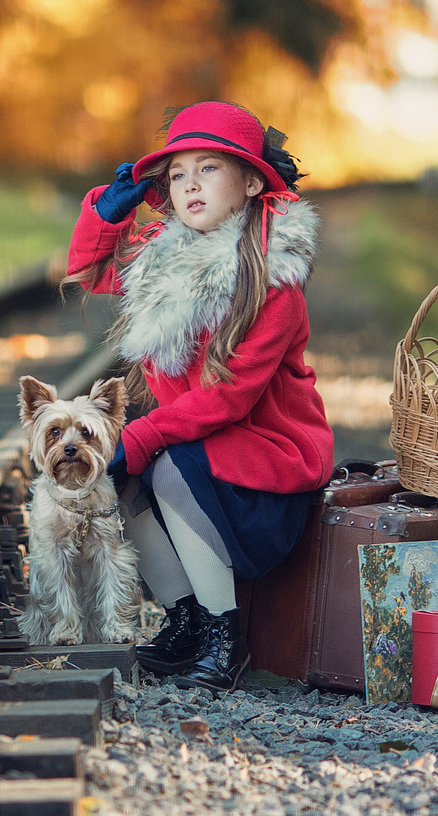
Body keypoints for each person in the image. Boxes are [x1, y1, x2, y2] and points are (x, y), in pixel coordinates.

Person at [65, 101, 332, 689]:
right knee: (114, 476)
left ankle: (223, 635)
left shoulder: (271, 278)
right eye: (178, 174)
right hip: (207, 464)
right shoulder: (162, 258)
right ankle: (184, 619)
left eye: (209, 169)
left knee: (163, 468)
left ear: (252, 180)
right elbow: (88, 268)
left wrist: (137, 437)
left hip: (268, 478)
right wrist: (106, 214)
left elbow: (227, 400)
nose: (190, 185)